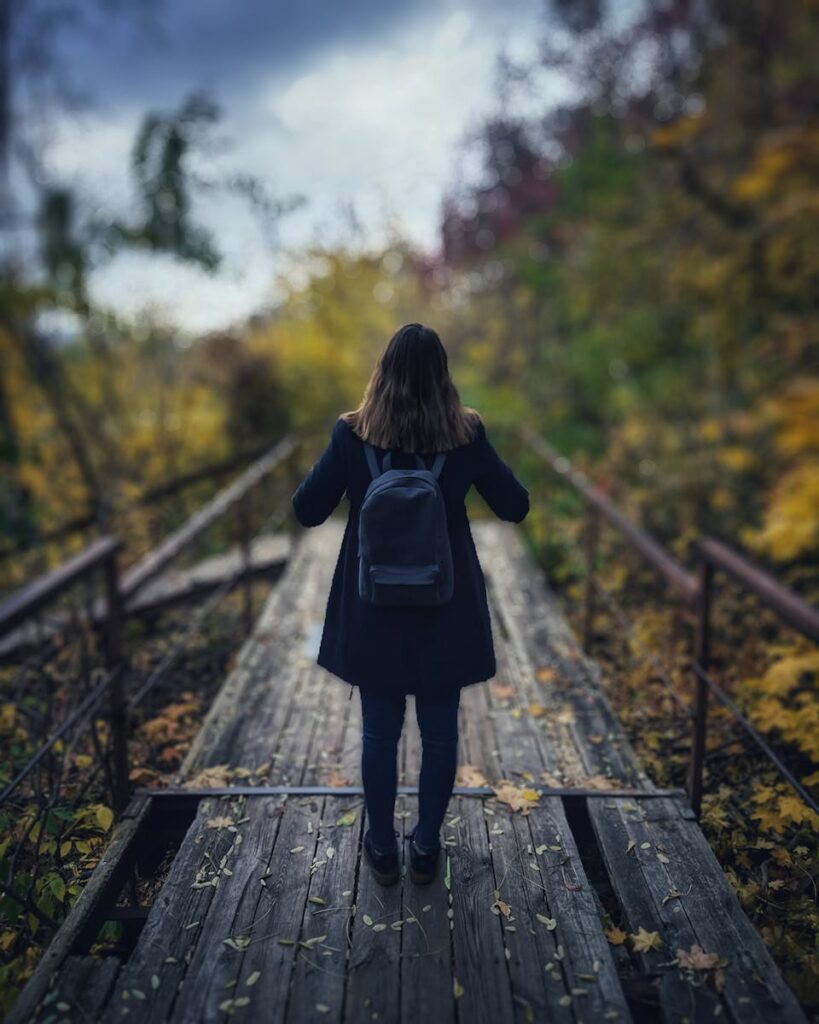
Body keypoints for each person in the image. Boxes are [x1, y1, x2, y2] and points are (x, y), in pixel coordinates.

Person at [290, 322, 529, 886]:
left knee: (379, 730)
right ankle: (425, 847)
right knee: (441, 730)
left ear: (383, 374)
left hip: (373, 608)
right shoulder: (466, 435)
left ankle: (380, 844)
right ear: (443, 377)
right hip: (445, 609)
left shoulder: (352, 436)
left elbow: (307, 511)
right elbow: (514, 506)